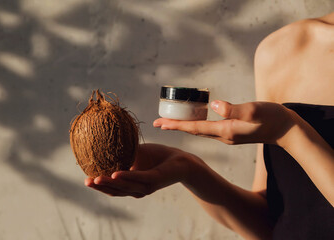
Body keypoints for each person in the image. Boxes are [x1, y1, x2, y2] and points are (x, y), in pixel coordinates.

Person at [84, 12, 334, 239]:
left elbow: (287, 131)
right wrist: (188, 169)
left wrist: (289, 132)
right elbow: (274, 223)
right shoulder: (286, 49)